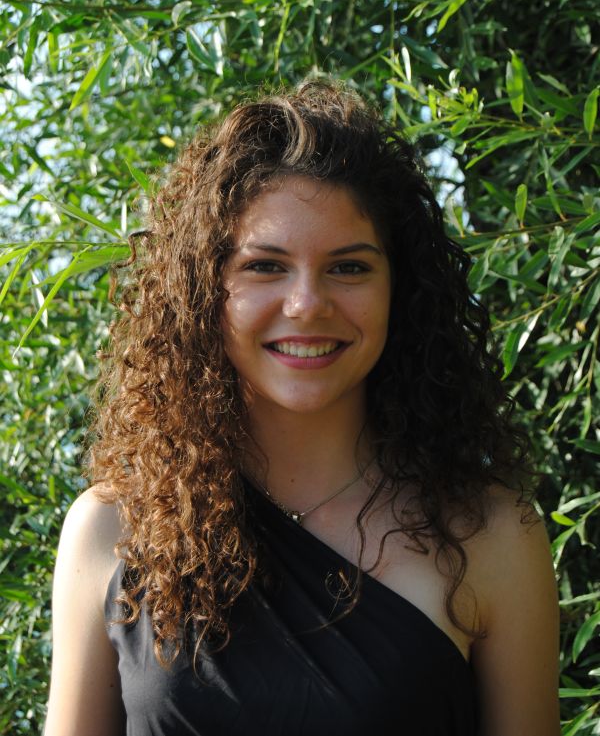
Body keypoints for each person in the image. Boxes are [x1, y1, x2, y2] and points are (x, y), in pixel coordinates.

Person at [45, 81, 560, 736]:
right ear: (205, 292)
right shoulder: (111, 529)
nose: (307, 304)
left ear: (401, 291)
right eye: (265, 266)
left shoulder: (489, 535)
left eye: (349, 268)